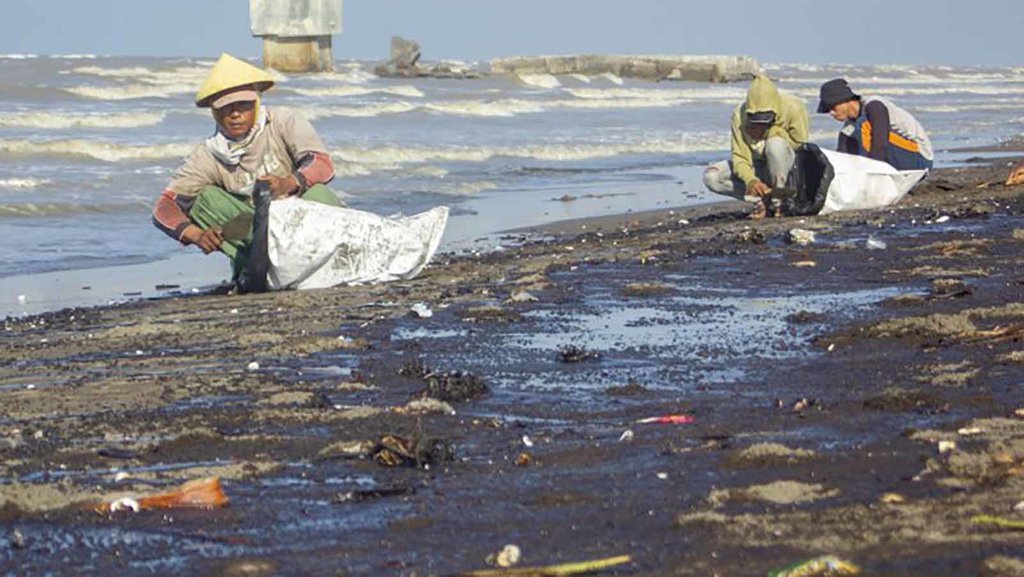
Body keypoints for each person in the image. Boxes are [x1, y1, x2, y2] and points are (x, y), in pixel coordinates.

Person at [152, 53, 342, 281]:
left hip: (300, 220)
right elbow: (164, 207)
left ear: (257, 101)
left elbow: (322, 164)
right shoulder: (208, 155)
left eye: (243, 105)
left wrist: (288, 183)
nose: (235, 114)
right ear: (214, 112)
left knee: (319, 193)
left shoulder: (283, 121)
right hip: (253, 234)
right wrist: (196, 234)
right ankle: (251, 268)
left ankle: (334, 257)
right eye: (226, 107)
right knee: (204, 199)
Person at [703, 76, 809, 217]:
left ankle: (780, 203)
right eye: (756, 121)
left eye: (764, 120)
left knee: (775, 145)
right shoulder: (739, 115)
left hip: (788, 172)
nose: (759, 124)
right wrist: (750, 181)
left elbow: (800, 144)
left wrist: (771, 132)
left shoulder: (794, 107)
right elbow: (740, 157)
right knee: (712, 176)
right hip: (758, 168)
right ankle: (761, 201)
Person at [817, 78, 933, 171]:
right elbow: (842, 155)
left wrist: (870, 173)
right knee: (849, 134)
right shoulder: (849, 127)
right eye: (828, 110)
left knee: (864, 125)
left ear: (845, 100)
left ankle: (874, 171)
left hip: (919, 158)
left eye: (832, 107)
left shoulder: (874, 106)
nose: (831, 113)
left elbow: (880, 144)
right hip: (895, 158)